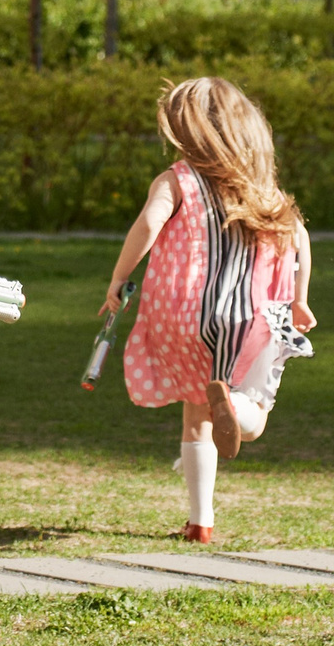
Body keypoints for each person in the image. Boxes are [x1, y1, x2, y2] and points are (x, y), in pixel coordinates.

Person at [102, 77, 316, 545]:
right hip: (248, 320)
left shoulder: (175, 180)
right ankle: (237, 405)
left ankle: (201, 521)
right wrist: (300, 297)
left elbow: (148, 225)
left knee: (196, 410)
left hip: (181, 315)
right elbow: (299, 241)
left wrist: (119, 279)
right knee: (253, 415)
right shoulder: (262, 188)